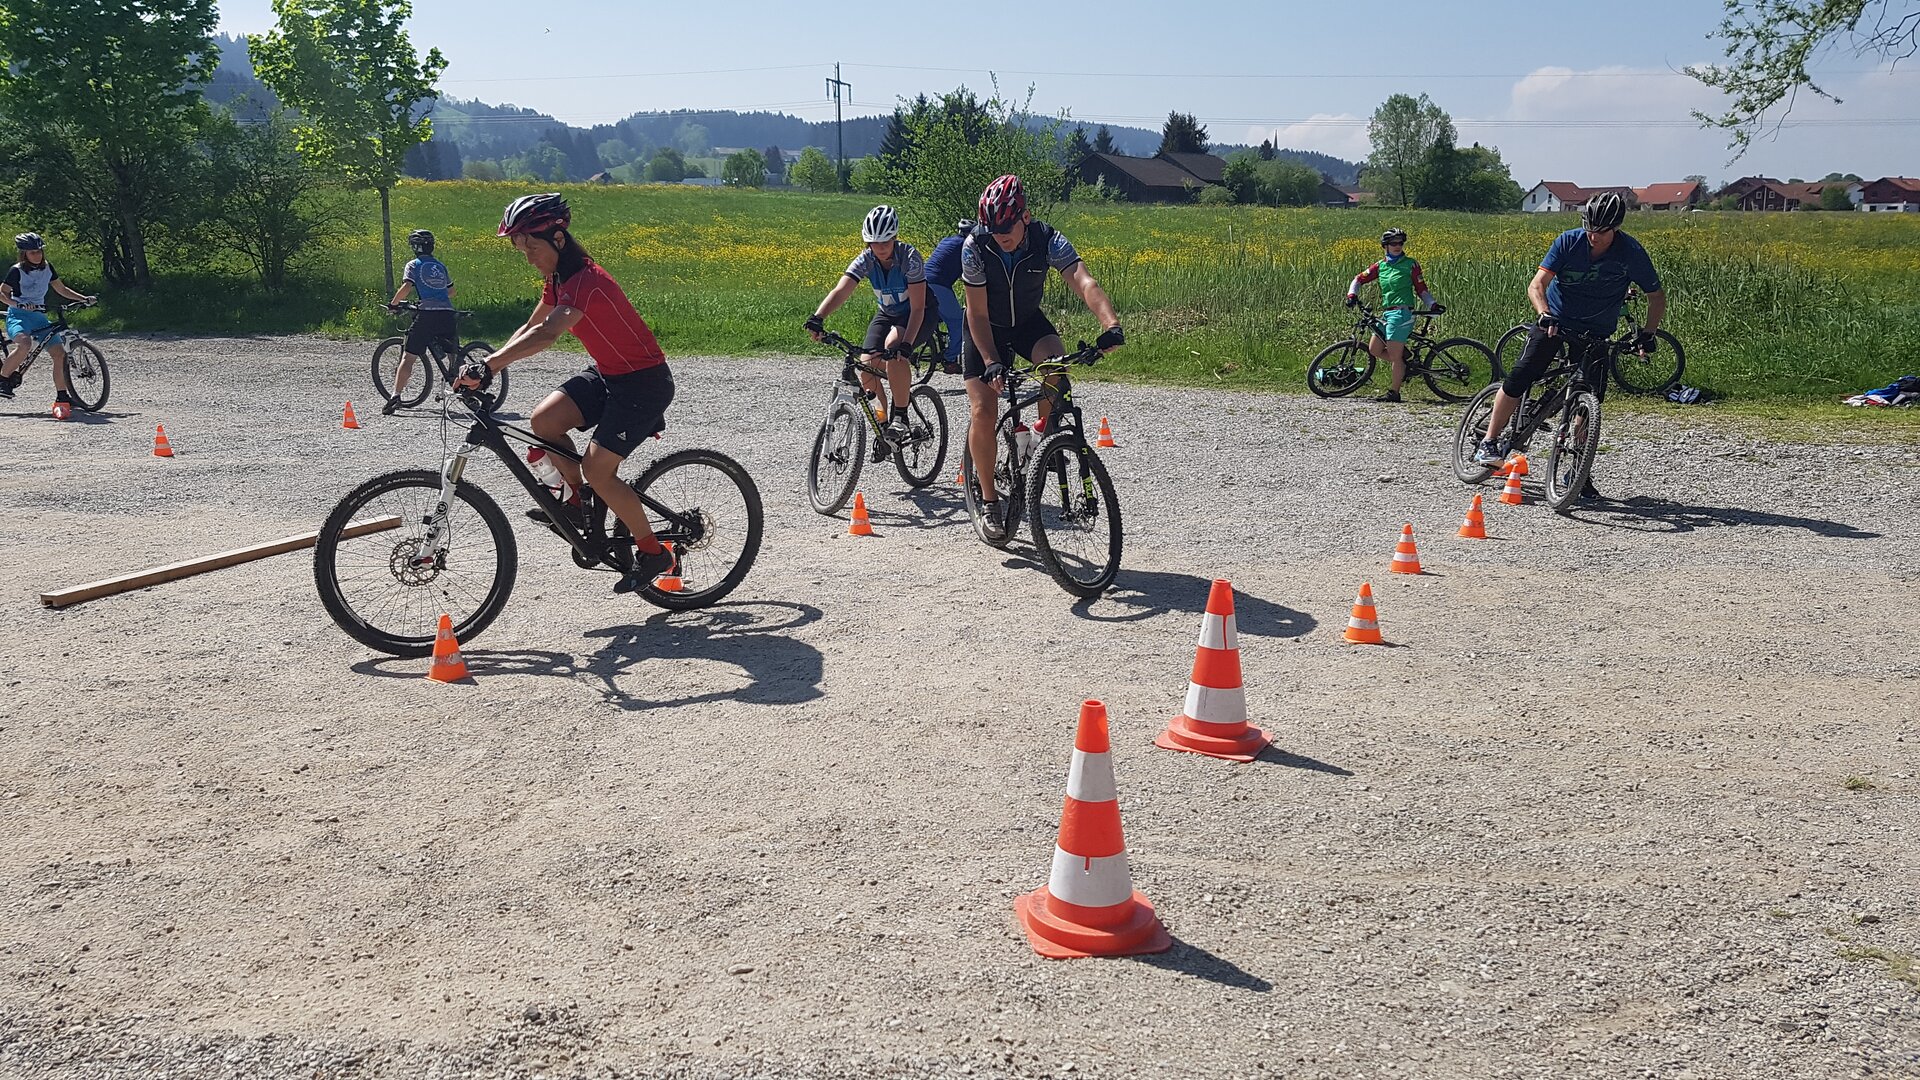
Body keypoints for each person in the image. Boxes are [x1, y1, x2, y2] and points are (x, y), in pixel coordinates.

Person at [453, 193, 678, 593]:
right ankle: (578, 503)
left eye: (532, 247)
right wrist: (489, 362)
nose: (527, 257)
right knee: (544, 420)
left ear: (558, 239)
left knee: (599, 471)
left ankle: (653, 551)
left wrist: (491, 366)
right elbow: (530, 325)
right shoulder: (557, 280)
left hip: (644, 384)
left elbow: (549, 333)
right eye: (520, 248)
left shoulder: (586, 281)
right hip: (609, 375)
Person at [1471, 191, 1666, 500]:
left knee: (1588, 403)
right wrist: (1544, 313)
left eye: (1601, 231)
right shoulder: (1568, 241)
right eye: (1588, 227)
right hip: (1556, 322)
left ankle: (1578, 470)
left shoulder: (1631, 252)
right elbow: (1537, 284)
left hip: (1597, 332)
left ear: (1615, 228)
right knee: (1522, 375)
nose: (1593, 236)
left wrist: (1648, 333)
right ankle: (1490, 441)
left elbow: (1656, 296)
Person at [960, 175, 1125, 541]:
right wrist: (990, 361)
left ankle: (1039, 438)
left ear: (1026, 217)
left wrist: (1110, 325)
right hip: (985, 328)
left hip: (1028, 323)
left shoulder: (1046, 239)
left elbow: (1084, 281)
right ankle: (989, 501)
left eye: (1007, 226)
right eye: (993, 227)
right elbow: (977, 314)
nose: (1000, 234)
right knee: (984, 411)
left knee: (1056, 362)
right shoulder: (974, 246)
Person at [805, 205, 927, 459]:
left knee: (894, 349)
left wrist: (906, 344)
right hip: (888, 312)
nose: (880, 247)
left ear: (894, 237)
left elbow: (918, 308)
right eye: (873, 242)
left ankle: (901, 415)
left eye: (885, 241)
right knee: (866, 363)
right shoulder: (866, 259)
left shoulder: (910, 259)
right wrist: (818, 317)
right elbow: (842, 289)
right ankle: (883, 422)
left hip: (917, 312)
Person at [0, 233, 96, 418]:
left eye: (39, 251)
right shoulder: (16, 270)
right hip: (19, 316)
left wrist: (83, 299)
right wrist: (16, 304)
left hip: (39, 316)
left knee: (59, 353)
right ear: (24, 254)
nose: (37, 255)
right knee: (24, 344)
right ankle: (3, 380)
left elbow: (61, 289)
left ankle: (62, 396)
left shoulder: (47, 268)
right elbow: (2, 293)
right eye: (32, 252)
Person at [1344, 227, 1441, 403]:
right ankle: (1406, 362)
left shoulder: (1410, 264)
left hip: (1402, 313)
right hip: (1386, 313)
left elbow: (1421, 288)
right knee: (1374, 349)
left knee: (1395, 357)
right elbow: (1358, 279)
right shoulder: (1381, 266)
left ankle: (1394, 393)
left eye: (1400, 243)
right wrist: (1351, 295)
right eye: (1393, 243)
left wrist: (1432, 304)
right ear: (1385, 246)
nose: (1398, 246)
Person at [383, 228, 457, 415]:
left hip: (428, 314)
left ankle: (395, 397)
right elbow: (451, 291)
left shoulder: (413, 264)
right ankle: (459, 381)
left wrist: (394, 304)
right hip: (447, 312)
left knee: (408, 357)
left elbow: (407, 286)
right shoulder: (440, 266)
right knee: (453, 352)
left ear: (415, 247)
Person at [921, 218, 974, 375]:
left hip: (920, 281)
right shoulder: (965, 246)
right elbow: (970, 274)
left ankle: (934, 343)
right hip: (937, 284)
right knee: (957, 321)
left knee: (938, 316)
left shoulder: (948, 241)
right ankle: (950, 360)